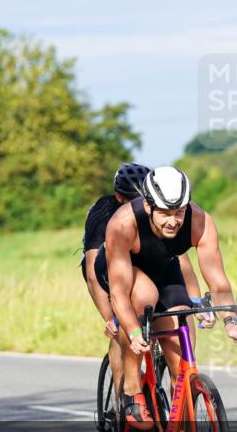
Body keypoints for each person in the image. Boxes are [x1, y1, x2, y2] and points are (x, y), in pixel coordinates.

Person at [97, 166, 237, 430]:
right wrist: (132, 331)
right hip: (122, 270)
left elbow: (217, 280)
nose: (173, 221)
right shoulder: (123, 224)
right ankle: (132, 389)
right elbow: (120, 292)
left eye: (179, 212)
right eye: (165, 213)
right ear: (147, 205)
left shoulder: (200, 221)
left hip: (164, 269)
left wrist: (230, 320)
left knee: (180, 328)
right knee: (144, 296)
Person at [82, 163, 205, 408]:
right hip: (111, 267)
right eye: (132, 200)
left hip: (152, 266)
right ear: (120, 197)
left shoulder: (161, 215)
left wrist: (195, 302)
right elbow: (94, 273)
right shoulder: (106, 216)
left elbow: (181, 261)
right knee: (122, 328)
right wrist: (110, 316)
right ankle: (124, 402)